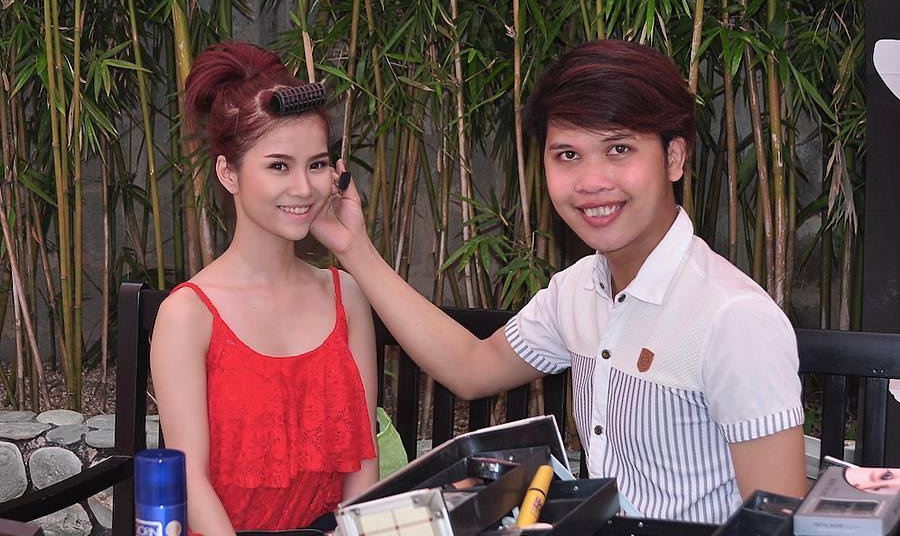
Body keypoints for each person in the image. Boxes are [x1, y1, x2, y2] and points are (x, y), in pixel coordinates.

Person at [311, 39, 807, 524]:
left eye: (619, 149)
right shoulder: (578, 290)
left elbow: (780, 522)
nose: (591, 182)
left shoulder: (733, 319)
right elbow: (470, 367)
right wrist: (354, 248)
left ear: (674, 157)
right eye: (567, 155)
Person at [150, 41, 378, 535]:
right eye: (279, 165)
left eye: (317, 164)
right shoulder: (188, 314)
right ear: (228, 173)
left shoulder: (346, 296)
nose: (304, 188)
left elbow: (363, 466)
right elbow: (190, 480)